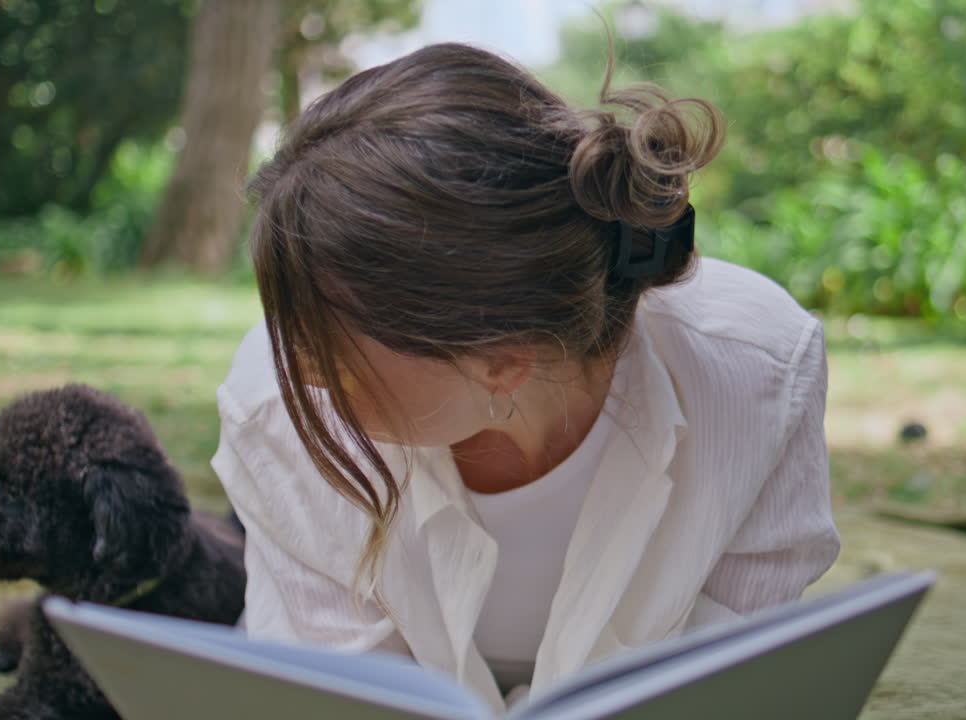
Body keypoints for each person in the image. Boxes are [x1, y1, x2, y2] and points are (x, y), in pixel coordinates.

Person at [212, 42, 840, 713]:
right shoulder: (273, 405)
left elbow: (731, 679)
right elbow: (335, 686)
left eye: (325, 341)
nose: (297, 366)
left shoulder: (758, 374)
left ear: (504, 361)